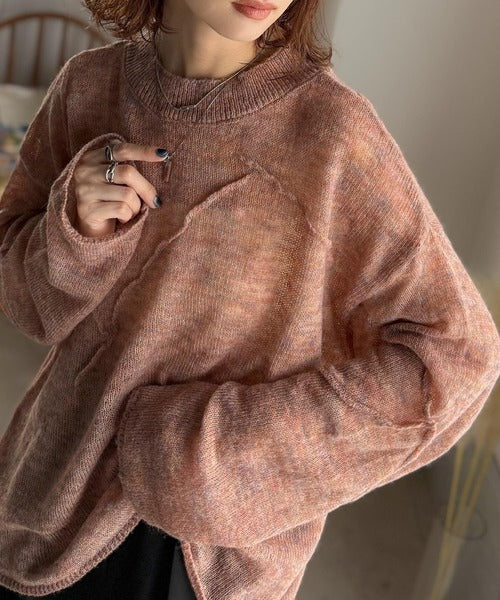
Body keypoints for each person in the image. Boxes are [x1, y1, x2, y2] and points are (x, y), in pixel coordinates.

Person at [0, 0, 499, 598]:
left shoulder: (332, 133)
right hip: (47, 502)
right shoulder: (87, 86)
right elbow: (27, 305)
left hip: (198, 559)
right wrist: (72, 232)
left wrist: (218, 458)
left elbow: (457, 356)